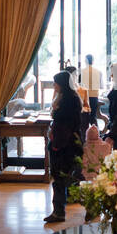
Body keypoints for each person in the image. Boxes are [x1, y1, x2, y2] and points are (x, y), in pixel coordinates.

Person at [45, 70, 81, 224]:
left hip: (64, 144)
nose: (54, 85)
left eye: (55, 83)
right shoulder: (70, 97)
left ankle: (59, 212)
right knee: (63, 178)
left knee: (60, 178)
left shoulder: (67, 100)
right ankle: (59, 210)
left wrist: (56, 144)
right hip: (66, 142)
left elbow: (63, 123)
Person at [81, 54, 103, 123]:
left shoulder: (81, 72)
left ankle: (85, 132)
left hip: (84, 97)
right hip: (94, 96)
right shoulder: (99, 72)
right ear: (93, 61)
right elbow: (101, 86)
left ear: (85, 61)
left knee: (84, 117)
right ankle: (95, 132)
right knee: (93, 117)